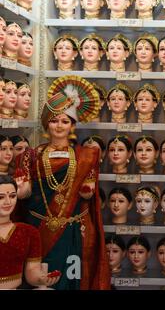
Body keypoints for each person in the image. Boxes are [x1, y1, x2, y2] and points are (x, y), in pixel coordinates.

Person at [14, 75, 110, 290]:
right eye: (54, 120)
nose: (59, 125)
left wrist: (86, 189)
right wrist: (20, 190)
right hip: (37, 229)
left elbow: (88, 193)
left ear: (72, 125)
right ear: (46, 123)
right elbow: (25, 194)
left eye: (65, 121)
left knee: (71, 280)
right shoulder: (30, 155)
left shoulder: (86, 156)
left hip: (71, 230)